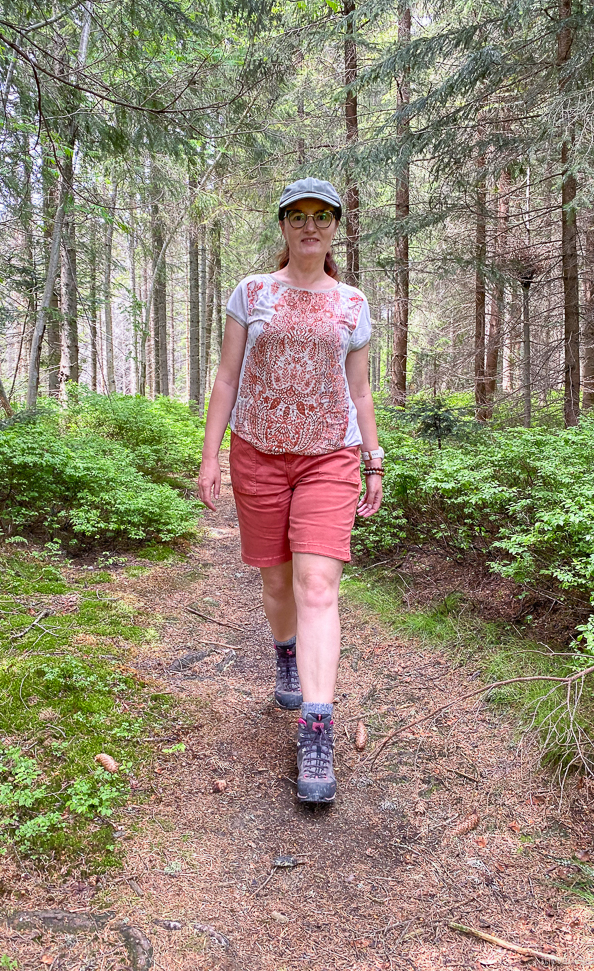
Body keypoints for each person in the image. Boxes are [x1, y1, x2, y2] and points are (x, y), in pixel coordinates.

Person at [198, 177, 384, 803]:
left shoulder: (353, 305)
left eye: (322, 216)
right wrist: (211, 457)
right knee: (276, 580)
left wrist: (374, 459)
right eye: (298, 216)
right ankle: (285, 652)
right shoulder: (252, 294)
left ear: (336, 227)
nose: (310, 226)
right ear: (282, 226)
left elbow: (360, 392)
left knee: (316, 584)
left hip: (330, 457)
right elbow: (226, 378)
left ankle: (316, 726)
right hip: (258, 454)